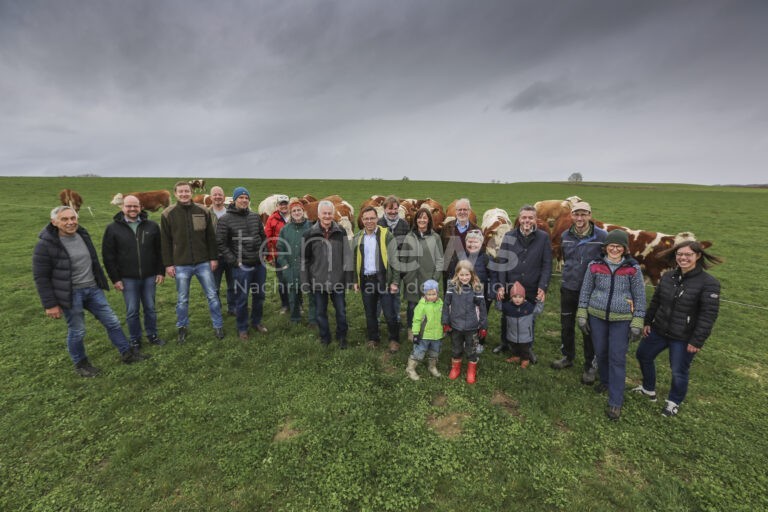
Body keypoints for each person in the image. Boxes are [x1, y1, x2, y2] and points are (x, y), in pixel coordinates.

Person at [33, 206, 150, 377]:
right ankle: (81, 364)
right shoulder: (46, 245)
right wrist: (50, 304)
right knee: (77, 330)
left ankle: (127, 353)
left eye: (73, 218)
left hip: (92, 289)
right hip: (70, 294)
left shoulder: (82, 234)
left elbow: (93, 260)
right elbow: (41, 277)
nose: (70, 222)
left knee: (112, 322)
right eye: (64, 219)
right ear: (54, 222)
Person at [634, 240, 722, 417]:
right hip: (659, 328)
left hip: (684, 336)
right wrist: (647, 322)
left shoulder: (709, 283)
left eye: (688, 254)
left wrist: (697, 340)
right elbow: (656, 301)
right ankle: (648, 388)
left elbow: (708, 315)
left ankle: (673, 402)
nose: (683, 258)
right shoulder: (668, 276)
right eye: (680, 254)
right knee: (643, 355)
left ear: (697, 256)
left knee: (679, 370)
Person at [577, 230, 646, 421]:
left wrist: (638, 321)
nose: (614, 249)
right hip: (596, 316)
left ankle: (615, 401)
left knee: (617, 357)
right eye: (611, 245)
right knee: (601, 352)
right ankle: (605, 381)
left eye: (619, 246)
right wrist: (582, 314)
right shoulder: (595, 266)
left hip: (622, 319)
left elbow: (640, 297)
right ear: (605, 247)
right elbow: (585, 291)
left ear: (625, 249)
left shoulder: (633, 268)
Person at [161, 181, 225, 343]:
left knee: (212, 295)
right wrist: (168, 264)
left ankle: (218, 325)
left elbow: (210, 237)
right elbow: (165, 242)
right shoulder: (168, 214)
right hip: (181, 264)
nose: (184, 194)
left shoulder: (202, 211)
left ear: (191, 192)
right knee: (182, 298)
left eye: (187, 191)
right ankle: (182, 327)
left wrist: (213, 258)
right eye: (181, 192)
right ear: (175, 194)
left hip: (203, 262)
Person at [551, 201, 607, 385]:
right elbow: (567, 258)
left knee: (588, 328)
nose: (580, 218)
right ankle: (567, 356)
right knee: (566, 324)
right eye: (577, 214)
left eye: (584, 214)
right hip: (569, 287)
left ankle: (590, 365)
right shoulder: (566, 235)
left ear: (590, 215)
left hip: (590, 290)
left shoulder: (601, 236)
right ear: (572, 216)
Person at [102, 194, 166, 349]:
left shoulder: (151, 226)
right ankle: (135, 339)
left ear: (140, 207)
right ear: (122, 207)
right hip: (127, 278)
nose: (132, 209)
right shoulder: (112, 228)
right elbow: (108, 256)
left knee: (150, 308)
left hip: (149, 275)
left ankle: (152, 335)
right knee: (132, 310)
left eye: (135, 206)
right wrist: (115, 279)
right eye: (128, 206)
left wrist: (160, 271)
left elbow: (160, 251)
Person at [492, 205, 552, 359]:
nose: (527, 220)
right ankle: (505, 342)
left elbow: (547, 265)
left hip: (532, 285)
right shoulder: (509, 236)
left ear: (535, 219)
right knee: (507, 315)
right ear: (519, 219)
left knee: (529, 316)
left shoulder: (543, 237)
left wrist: (543, 286)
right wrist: (501, 286)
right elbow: (503, 262)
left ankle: (527, 348)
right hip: (511, 285)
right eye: (524, 217)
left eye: (530, 217)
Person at [215, 186, 268, 340]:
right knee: (242, 298)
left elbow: (262, 236)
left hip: (259, 265)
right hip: (241, 266)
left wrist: (263, 253)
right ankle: (242, 328)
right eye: (241, 198)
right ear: (234, 200)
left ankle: (256, 322)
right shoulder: (225, 219)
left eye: (246, 198)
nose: (244, 200)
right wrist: (234, 261)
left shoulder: (254, 216)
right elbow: (221, 244)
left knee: (259, 296)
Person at [301, 200, 354, 348]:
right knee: (320, 312)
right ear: (318, 215)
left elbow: (347, 256)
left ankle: (342, 336)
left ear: (333, 215)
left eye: (329, 213)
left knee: (341, 312)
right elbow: (304, 260)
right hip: (318, 280)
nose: (327, 216)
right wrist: (305, 282)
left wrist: (349, 279)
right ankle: (325, 338)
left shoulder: (340, 231)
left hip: (338, 280)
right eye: (324, 213)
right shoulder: (309, 234)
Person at [353, 206, 400, 352]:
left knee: (389, 312)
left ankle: (394, 339)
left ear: (377, 218)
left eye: (372, 218)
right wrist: (355, 280)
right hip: (366, 280)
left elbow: (395, 260)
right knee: (370, 312)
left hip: (383, 279)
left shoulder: (387, 235)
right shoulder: (357, 237)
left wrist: (395, 281)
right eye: (366, 218)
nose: (369, 221)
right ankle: (373, 338)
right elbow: (354, 260)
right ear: (362, 220)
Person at [400, 207, 443, 341]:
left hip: (428, 279)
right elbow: (403, 259)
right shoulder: (409, 236)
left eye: (425, 217)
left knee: (428, 305)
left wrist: (434, 279)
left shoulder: (435, 237)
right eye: (419, 217)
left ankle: (427, 330)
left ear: (429, 220)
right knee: (412, 306)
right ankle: (412, 331)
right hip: (412, 279)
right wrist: (406, 276)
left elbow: (440, 260)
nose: (422, 220)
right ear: (416, 220)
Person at [442, 260, 488, 384]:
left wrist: (483, 326)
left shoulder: (477, 287)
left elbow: (482, 308)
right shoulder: (452, 287)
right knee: (456, 348)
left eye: (467, 275)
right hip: (455, 325)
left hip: (472, 326)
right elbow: (446, 305)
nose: (464, 277)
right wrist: (445, 321)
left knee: (471, 349)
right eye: (461, 275)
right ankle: (455, 368)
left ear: (472, 274)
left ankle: (471, 371)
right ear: (457, 274)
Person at [276, 198, 317, 326]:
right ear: (290, 213)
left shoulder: (312, 227)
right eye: (294, 210)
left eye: (299, 210)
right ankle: (295, 318)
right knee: (293, 293)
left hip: (308, 267)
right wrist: (284, 264)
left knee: (312, 294)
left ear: (303, 211)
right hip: (291, 267)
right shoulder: (285, 229)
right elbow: (280, 248)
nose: (297, 212)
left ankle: (313, 319)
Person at [378, 195, 411, 329]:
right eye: (390, 209)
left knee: (396, 295)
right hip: (382, 266)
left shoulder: (404, 224)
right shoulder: (379, 224)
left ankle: (396, 320)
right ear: (384, 209)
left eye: (395, 209)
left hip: (398, 266)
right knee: (380, 294)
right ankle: (378, 321)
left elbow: (407, 246)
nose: (393, 212)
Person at [498, 281, 545, 369]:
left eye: (520, 297)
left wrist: (540, 301)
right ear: (511, 297)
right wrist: (499, 298)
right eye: (515, 297)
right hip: (512, 333)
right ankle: (516, 356)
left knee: (524, 349)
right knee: (514, 346)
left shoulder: (529, 307)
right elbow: (499, 307)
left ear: (524, 297)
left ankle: (525, 359)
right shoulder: (508, 306)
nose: (517, 299)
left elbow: (538, 310)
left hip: (525, 335)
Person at [405, 280, 444, 381]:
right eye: (429, 294)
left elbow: (444, 317)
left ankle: (432, 366)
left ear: (437, 293)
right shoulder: (421, 306)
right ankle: (410, 369)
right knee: (419, 351)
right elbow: (416, 320)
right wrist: (416, 333)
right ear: (425, 294)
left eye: (434, 294)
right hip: (424, 335)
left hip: (437, 335)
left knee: (435, 352)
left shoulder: (441, 304)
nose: (431, 297)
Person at [440, 198, 480, 291]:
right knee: (450, 298)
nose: (462, 212)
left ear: (469, 211)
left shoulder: (477, 230)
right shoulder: (446, 228)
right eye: (459, 210)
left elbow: (480, 253)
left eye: (465, 209)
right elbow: (441, 248)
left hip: (468, 273)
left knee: (467, 298)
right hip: (450, 271)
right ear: (456, 211)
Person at [209, 186, 235, 316]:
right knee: (214, 287)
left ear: (224, 197)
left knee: (233, 285)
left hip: (230, 255)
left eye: (220, 194)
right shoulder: (206, 214)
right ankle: (216, 309)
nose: (218, 197)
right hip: (214, 257)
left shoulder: (231, 213)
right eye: (215, 195)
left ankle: (233, 308)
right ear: (211, 197)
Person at [264, 194, 291, 314]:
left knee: (296, 280)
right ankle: (285, 305)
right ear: (277, 206)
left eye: (285, 203)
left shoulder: (295, 216)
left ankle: (298, 304)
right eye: (281, 204)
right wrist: (270, 256)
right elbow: (267, 238)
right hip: (279, 255)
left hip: (294, 255)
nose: (284, 206)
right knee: (282, 281)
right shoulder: (272, 219)